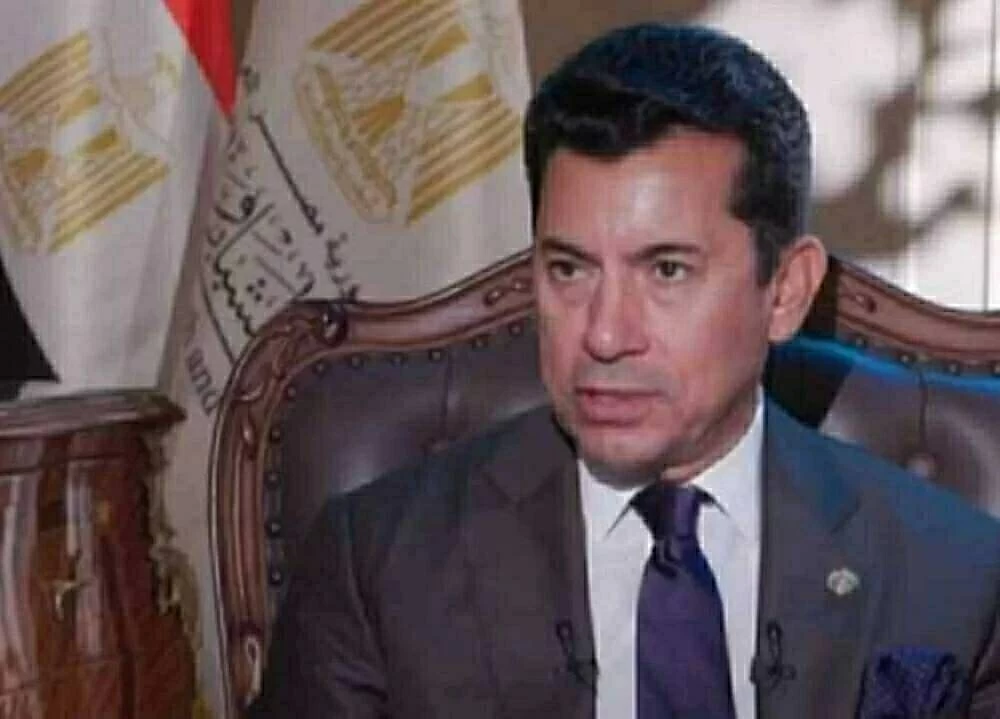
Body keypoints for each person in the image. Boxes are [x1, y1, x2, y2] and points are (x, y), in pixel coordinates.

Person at [250, 23, 1000, 719]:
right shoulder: (377, 564)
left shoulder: (954, 574)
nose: (604, 335)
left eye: (667, 270)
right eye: (569, 269)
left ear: (785, 292)